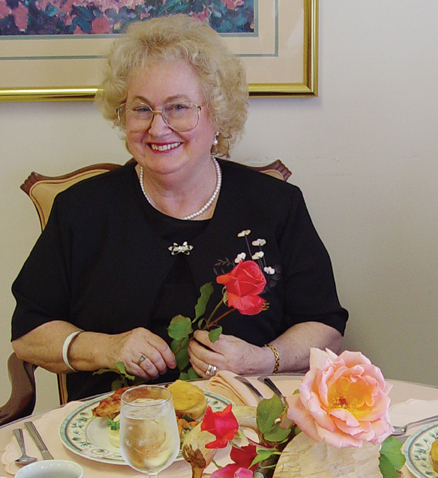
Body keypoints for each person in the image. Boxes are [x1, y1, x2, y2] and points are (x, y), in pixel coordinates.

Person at [11, 14, 348, 401]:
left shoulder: (275, 205)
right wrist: (105, 348)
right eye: (141, 109)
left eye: (178, 108)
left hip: (245, 428)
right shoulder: (81, 210)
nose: (157, 128)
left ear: (217, 115)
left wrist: (261, 359)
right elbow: (28, 334)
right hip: (108, 433)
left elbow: (325, 325)